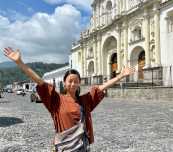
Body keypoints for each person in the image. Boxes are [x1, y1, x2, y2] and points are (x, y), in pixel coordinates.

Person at [3, 47, 135, 152]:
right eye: (70, 81)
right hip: (64, 147)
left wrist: (120, 76)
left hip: (82, 147)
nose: (73, 84)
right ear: (64, 83)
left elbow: (101, 87)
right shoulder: (55, 100)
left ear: (79, 83)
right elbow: (39, 81)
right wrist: (20, 63)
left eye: (76, 81)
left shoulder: (85, 100)